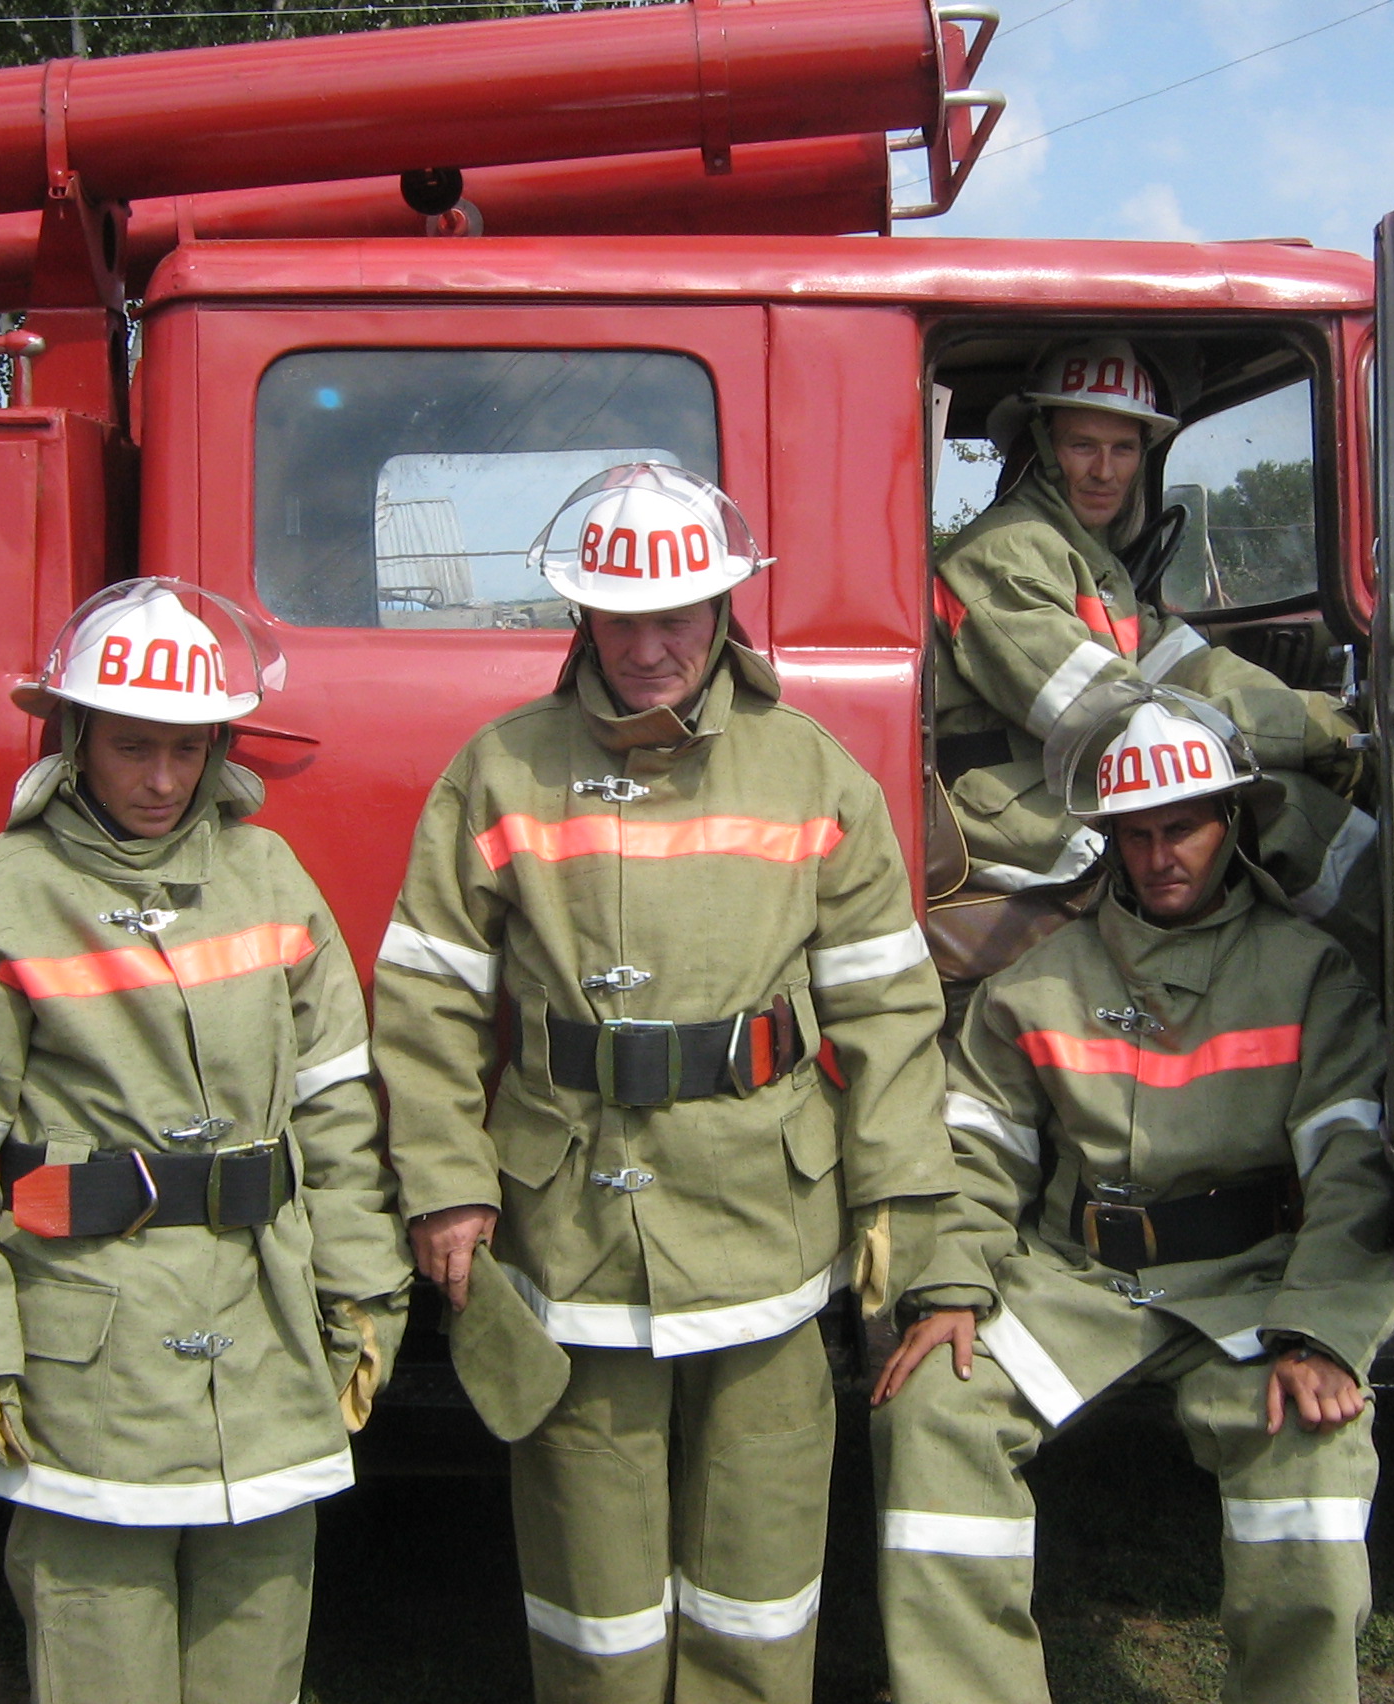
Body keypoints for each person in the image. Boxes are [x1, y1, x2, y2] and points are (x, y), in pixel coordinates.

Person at [372, 463, 955, 1704]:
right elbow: (422, 1000)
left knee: (762, 1563)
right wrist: (444, 1186)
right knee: (594, 1582)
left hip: (764, 1217)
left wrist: (895, 1198)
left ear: (724, 611)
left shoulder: (811, 774)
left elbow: (890, 1006)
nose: (650, 646)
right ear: (581, 616)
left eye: (676, 616)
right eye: (621, 617)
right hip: (568, 1218)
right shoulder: (498, 770)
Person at [0, 578, 411, 1704]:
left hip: (266, 1350)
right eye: (132, 749)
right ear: (72, 737)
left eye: (188, 749)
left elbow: (337, 1116)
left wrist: (366, 1294)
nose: (163, 781)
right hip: (89, 1369)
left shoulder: (270, 880)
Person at [871, 689, 1394, 1704]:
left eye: (1186, 827)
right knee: (933, 1410)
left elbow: (1351, 1169)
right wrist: (947, 1289)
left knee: (1313, 1457)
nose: (1163, 855)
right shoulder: (1038, 983)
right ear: (1109, 837)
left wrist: (1322, 1331)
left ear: (1231, 821)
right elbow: (975, 1154)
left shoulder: (1310, 974)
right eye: (1139, 832)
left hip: (1252, 1289)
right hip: (1075, 1282)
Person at [931, 337, 1375, 965]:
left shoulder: (1089, 557)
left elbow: (1185, 663)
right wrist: (1302, 734)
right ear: (1042, 448)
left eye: (1124, 448)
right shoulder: (1001, 554)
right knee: (1280, 809)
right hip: (1023, 816)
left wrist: (1315, 716)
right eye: (1083, 445)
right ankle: (1390, 968)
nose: (1105, 470)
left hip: (1061, 784)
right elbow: (1110, 718)